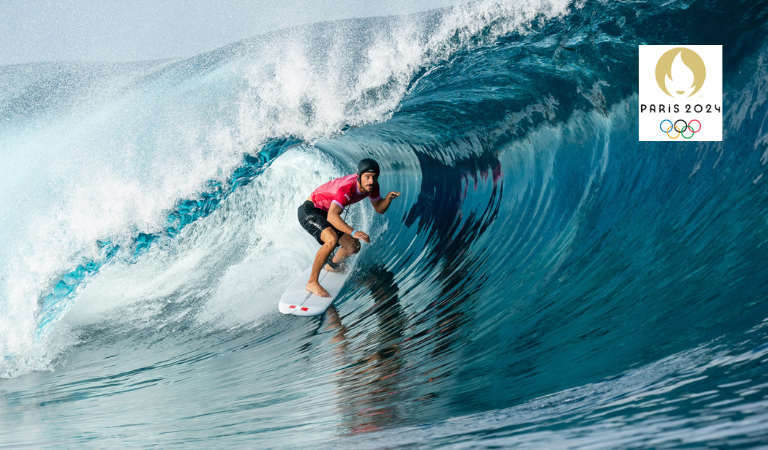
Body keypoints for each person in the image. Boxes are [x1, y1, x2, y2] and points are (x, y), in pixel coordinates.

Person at [298, 158, 401, 297]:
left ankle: (331, 267)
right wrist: (353, 232)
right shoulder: (346, 189)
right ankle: (312, 282)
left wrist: (388, 198)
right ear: (359, 176)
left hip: (327, 212)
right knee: (332, 239)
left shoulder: (373, 186)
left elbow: (379, 208)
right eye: (367, 177)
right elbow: (332, 217)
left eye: (374, 177)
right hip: (311, 210)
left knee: (353, 246)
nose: (371, 181)